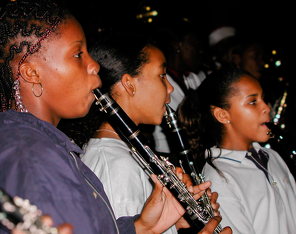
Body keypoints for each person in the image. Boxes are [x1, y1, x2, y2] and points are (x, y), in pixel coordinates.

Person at [0, 1, 228, 234]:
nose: (94, 65)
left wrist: (144, 227)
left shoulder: (45, 146)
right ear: (32, 73)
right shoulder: (31, 155)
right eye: (78, 54)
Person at [58, 33, 231, 234]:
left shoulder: (123, 153)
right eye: (162, 75)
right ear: (129, 84)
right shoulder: (117, 164)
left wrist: (176, 223)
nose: (170, 88)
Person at [177, 68, 296, 234]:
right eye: (253, 102)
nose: (266, 108)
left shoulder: (273, 156)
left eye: (263, 99)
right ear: (223, 115)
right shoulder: (218, 178)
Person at [150, 18, 206, 157]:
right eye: (195, 44)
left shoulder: (195, 78)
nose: (200, 51)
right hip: (171, 155)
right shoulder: (157, 82)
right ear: (177, 47)